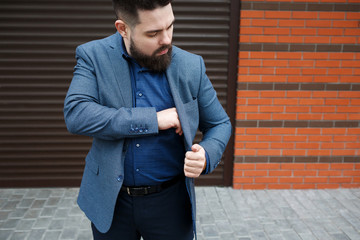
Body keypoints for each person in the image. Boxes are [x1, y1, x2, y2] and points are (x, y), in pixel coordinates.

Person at [63, 0, 232, 239]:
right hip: (112, 202)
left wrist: (206, 154)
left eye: (170, 27)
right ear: (123, 28)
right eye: (153, 33)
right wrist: (152, 119)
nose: (166, 40)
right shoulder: (93, 56)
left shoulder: (191, 65)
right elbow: (76, 113)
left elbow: (219, 124)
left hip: (171, 204)